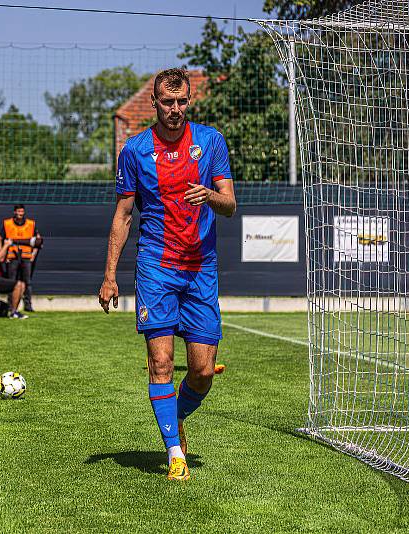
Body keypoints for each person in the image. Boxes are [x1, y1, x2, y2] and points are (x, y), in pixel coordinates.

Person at [98, 68, 236, 481]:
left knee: (202, 372)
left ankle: (173, 419)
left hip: (200, 269)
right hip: (156, 268)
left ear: (188, 102)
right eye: (166, 102)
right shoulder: (135, 150)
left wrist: (209, 195)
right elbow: (123, 215)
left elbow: (229, 204)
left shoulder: (211, 142)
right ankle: (175, 451)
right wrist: (109, 276)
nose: (174, 110)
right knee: (161, 363)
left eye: (181, 102)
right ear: (155, 103)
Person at [0, 204, 41, 312]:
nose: (20, 214)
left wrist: (34, 254)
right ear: (14, 212)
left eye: (22, 212)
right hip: (12, 257)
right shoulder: (7, 223)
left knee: (27, 281)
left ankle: (28, 305)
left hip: (26, 257)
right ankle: (10, 305)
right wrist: (2, 253)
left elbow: (38, 241)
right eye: (18, 211)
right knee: (11, 281)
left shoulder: (31, 224)